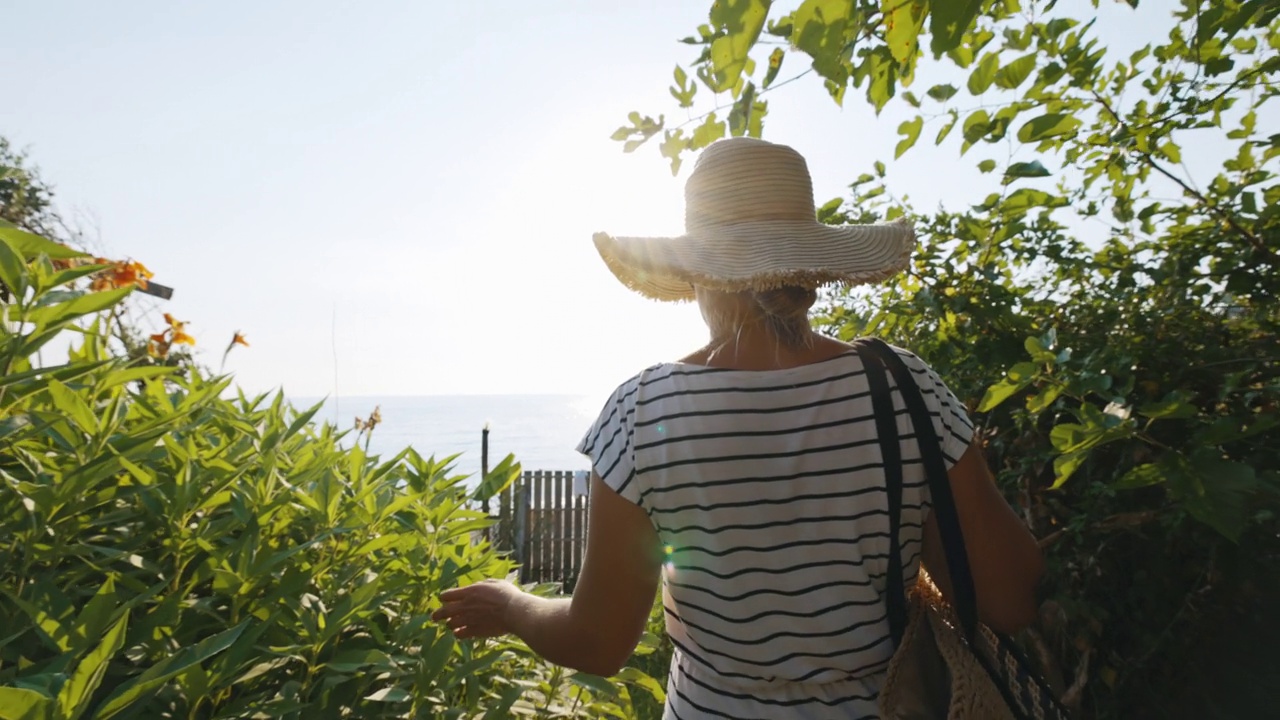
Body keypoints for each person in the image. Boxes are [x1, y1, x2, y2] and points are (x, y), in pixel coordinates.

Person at [433, 137, 1044, 718]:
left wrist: (512, 605)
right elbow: (1010, 599)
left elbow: (598, 643)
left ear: (698, 270)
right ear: (811, 267)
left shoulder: (642, 410)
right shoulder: (902, 385)